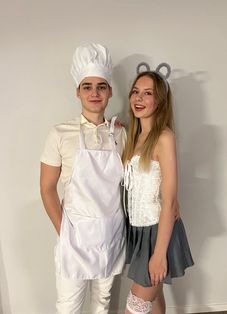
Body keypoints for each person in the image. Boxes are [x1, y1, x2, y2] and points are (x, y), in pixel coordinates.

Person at [40, 43, 127, 314]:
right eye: (87, 86)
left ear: (110, 91)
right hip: (74, 239)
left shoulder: (120, 134)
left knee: (102, 303)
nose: (94, 93)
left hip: (110, 235)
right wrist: (64, 232)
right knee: (68, 307)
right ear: (77, 91)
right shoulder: (60, 133)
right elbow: (46, 189)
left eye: (101, 86)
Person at [122, 63, 194, 314]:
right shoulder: (132, 137)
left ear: (160, 101)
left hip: (158, 232)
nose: (139, 98)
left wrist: (159, 254)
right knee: (153, 301)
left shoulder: (164, 138)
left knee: (135, 306)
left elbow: (169, 200)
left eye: (148, 93)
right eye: (135, 91)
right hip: (139, 231)